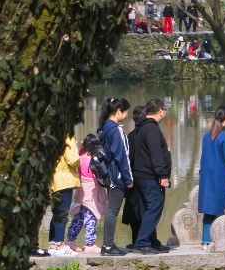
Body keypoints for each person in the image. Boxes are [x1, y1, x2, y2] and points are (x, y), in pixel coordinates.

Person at [128, 99, 172, 253]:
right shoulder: (151, 129)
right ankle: (142, 242)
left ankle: (151, 240)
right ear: (160, 110)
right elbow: (156, 154)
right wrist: (163, 174)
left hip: (141, 174)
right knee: (155, 205)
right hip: (149, 175)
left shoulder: (141, 127)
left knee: (147, 208)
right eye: (165, 110)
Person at [93, 99, 134, 256]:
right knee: (113, 211)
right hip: (117, 176)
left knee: (111, 210)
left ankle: (108, 244)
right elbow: (122, 156)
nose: (127, 114)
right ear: (118, 111)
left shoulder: (104, 129)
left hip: (110, 174)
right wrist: (128, 179)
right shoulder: (115, 130)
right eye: (125, 111)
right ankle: (108, 246)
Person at [197, 106, 225, 244]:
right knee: (222, 209)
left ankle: (206, 240)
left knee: (209, 210)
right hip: (220, 179)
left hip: (207, 179)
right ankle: (221, 239)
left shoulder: (206, 137)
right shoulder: (224, 138)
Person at [40, 133, 82, 255]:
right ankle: (60, 245)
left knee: (56, 213)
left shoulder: (51, 137)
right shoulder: (67, 137)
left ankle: (53, 244)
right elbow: (73, 159)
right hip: (65, 180)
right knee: (63, 213)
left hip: (53, 179)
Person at [63, 134, 103, 254]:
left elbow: (80, 150)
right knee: (91, 216)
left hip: (81, 191)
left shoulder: (79, 157)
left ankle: (70, 241)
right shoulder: (92, 160)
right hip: (90, 191)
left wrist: (81, 146)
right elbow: (96, 177)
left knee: (79, 217)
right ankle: (90, 243)